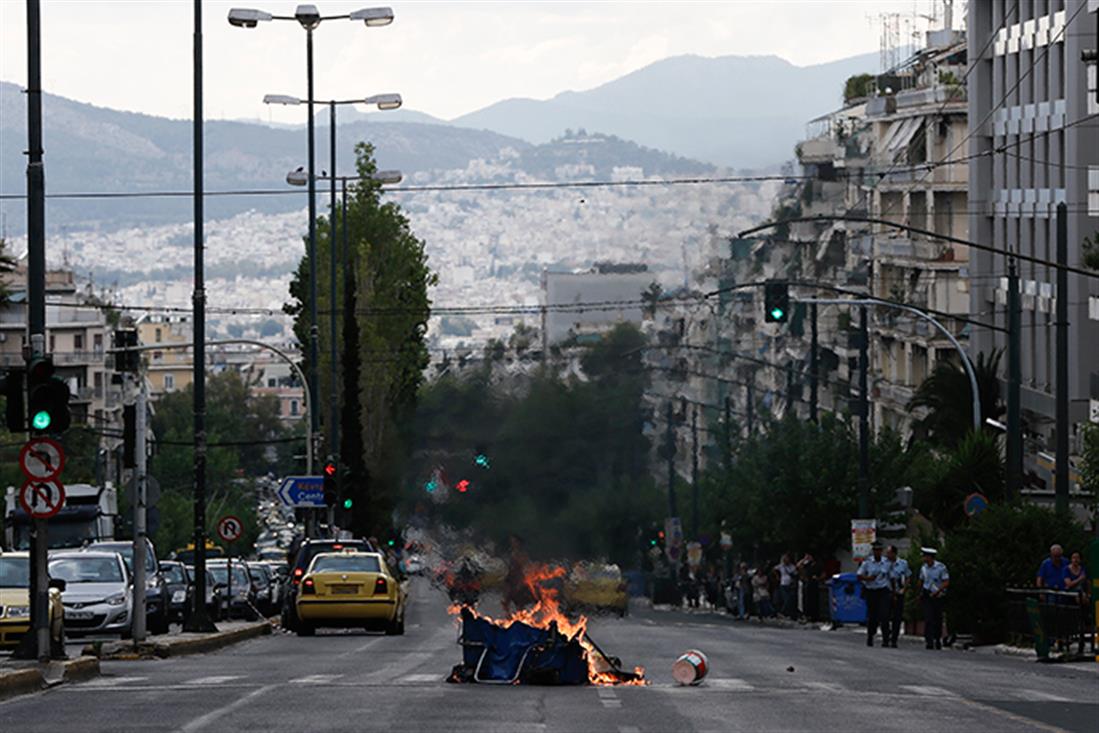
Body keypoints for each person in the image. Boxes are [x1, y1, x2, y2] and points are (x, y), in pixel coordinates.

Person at [857, 542, 891, 647]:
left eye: (879, 550)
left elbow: (891, 576)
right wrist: (868, 578)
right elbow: (859, 576)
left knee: (884, 615)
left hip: (883, 590)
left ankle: (886, 639)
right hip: (871, 591)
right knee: (872, 616)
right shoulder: (867, 562)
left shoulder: (886, 562)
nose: (877, 552)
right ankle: (870, 636)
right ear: (873, 551)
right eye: (875, 550)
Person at [918, 547, 949, 650]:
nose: (923, 558)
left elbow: (946, 582)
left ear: (930, 557)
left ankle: (937, 639)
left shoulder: (941, 567)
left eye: (925, 556)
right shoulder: (923, 568)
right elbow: (921, 581)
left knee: (937, 619)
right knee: (928, 618)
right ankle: (929, 641)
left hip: (938, 595)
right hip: (927, 595)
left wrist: (937, 591)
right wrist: (920, 593)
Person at [885, 545, 911, 648]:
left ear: (894, 553)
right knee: (885, 616)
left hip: (899, 592)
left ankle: (894, 639)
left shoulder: (903, 564)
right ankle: (886, 638)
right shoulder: (884, 563)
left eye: (889, 553)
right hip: (887, 592)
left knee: (897, 617)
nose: (887, 555)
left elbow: (908, 576)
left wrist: (904, 589)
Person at [796, 553, 821, 622]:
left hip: (814, 584)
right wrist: (804, 559)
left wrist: (818, 578)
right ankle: (807, 615)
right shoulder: (807, 565)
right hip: (807, 584)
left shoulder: (817, 565)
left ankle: (814, 616)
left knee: (814, 601)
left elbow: (822, 574)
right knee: (806, 600)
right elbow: (798, 566)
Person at [774, 554, 798, 618]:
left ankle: (787, 613)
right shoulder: (781, 566)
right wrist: (777, 576)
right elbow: (774, 568)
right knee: (786, 599)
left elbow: (795, 573)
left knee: (790, 599)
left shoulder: (792, 566)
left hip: (790, 584)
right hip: (783, 584)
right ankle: (782, 612)